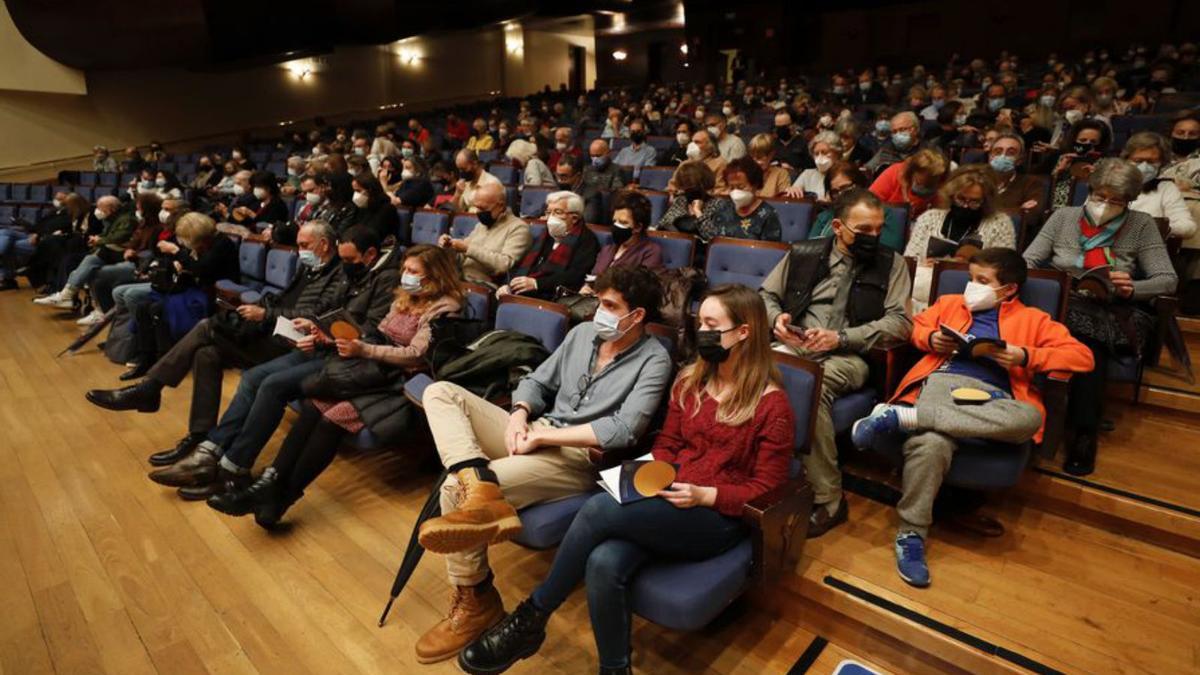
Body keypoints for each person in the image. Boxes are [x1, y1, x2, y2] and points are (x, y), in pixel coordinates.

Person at [457, 284, 792, 675]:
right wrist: (647, 476)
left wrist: (707, 495)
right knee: (603, 561)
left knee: (598, 508)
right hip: (670, 494)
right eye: (699, 321)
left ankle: (531, 617)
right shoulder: (691, 380)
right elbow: (668, 443)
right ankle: (614, 669)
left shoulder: (772, 404)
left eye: (711, 324)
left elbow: (766, 488)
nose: (701, 331)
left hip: (717, 516)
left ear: (744, 332)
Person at [409, 265, 672, 665]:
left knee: (451, 489)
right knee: (443, 392)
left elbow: (623, 431)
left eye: (609, 305)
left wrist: (543, 437)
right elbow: (537, 382)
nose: (597, 311)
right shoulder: (583, 333)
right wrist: (518, 413)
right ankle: (478, 480)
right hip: (535, 428)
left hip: (576, 457)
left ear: (636, 316)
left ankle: (476, 596)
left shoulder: (654, 360)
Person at [851, 248, 1093, 587]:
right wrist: (930, 338)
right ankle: (911, 534)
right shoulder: (951, 304)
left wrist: (1025, 355)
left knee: (1028, 419)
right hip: (944, 381)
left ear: (1008, 289)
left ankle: (908, 416)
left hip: (996, 399)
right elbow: (914, 328)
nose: (971, 287)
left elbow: (1082, 358)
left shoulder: (1033, 319)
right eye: (970, 278)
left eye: (982, 281)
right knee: (931, 443)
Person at [207, 244, 461, 519]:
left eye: (414, 271)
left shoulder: (446, 308)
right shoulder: (405, 297)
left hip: (399, 384)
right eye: (405, 269)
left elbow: (415, 355)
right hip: (371, 372)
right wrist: (332, 340)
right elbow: (378, 333)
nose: (406, 276)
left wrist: (364, 350)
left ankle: (281, 496)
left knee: (333, 419)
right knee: (312, 406)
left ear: (435, 275)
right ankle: (268, 487)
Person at [145, 226, 398, 499]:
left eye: (350, 260)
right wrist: (317, 329)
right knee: (252, 376)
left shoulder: (385, 279)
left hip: (346, 358)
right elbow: (331, 310)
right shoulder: (353, 273)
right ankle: (209, 452)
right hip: (322, 345)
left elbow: (369, 331)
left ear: (371, 254)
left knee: (272, 385)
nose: (346, 266)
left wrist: (322, 334)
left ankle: (234, 469)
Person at [84, 222, 346, 442]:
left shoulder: (339, 275)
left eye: (304, 246)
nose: (300, 252)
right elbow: (283, 299)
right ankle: (199, 436)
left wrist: (265, 314)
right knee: (206, 354)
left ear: (324, 244)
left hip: (293, 344)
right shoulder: (308, 267)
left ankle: (150, 388)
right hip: (271, 330)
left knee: (206, 326)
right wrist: (260, 307)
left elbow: (315, 314)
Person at [760, 188, 912, 537]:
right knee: (745, 366)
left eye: (879, 229)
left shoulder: (892, 263)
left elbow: (900, 323)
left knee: (807, 385)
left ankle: (829, 499)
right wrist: (776, 320)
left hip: (850, 355)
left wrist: (842, 337)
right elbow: (767, 294)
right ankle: (759, 469)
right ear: (839, 226)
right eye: (864, 230)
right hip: (798, 343)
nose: (874, 237)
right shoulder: (804, 253)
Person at [1024, 159, 1178, 476]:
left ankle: (1083, 431)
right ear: (1090, 191)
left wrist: (1132, 286)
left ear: (1129, 201)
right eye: (1099, 196)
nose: (1104, 204)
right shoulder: (1062, 217)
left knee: (1085, 343)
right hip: (1061, 296)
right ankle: (1027, 411)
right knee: (1041, 326)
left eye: (1116, 200)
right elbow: (1028, 260)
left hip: (1111, 305)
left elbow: (1166, 279)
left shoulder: (1141, 224)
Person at [905, 166, 1017, 310]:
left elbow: (1004, 270)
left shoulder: (1000, 223)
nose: (965, 206)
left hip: (974, 293)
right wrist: (924, 264)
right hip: (924, 292)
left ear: (985, 202)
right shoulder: (929, 218)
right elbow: (909, 262)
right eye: (961, 199)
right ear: (951, 196)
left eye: (974, 201)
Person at [33, 195, 134, 308]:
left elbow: (119, 237)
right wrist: (98, 239)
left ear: (112, 208)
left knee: (79, 261)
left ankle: (68, 297)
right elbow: (105, 235)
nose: (99, 211)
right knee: (69, 262)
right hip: (102, 250)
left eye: (101, 208)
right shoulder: (111, 219)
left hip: (116, 253)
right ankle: (64, 295)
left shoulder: (125, 219)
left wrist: (99, 240)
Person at [498, 191, 599, 299]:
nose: (551, 217)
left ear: (574, 218)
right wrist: (507, 285)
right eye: (549, 212)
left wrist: (536, 284)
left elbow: (575, 276)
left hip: (553, 296)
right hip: (525, 289)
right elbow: (522, 262)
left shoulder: (587, 240)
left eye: (557, 212)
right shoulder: (546, 234)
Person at [439, 181, 533, 286]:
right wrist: (450, 247)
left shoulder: (518, 228)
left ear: (500, 206)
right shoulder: (482, 225)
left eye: (482, 208)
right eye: (476, 207)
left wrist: (467, 248)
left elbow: (505, 265)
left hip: (484, 285)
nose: (478, 212)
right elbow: (461, 259)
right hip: (461, 277)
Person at [579, 191, 663, 295]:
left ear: (638, 227)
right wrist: (586, 288)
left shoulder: (650, 251)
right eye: (615, 221)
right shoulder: (608, 249)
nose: (616, 226)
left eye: (623, 222)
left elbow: (643, 290)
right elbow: (593, 276)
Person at [1120, 132, 1197, 238]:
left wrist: (1157, 226)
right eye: (1138, 160)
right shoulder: (1107, 183)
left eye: (1151, 161)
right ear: (1126, 160)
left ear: (1161, 163)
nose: (1144, 166)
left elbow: (1188, 227)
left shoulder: (1166, 188)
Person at [658, 161, 737, 243]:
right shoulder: (681, 200)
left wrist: (698, 213)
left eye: (692, 186)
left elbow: (715, 238)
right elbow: (662, 225)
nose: (688, 191)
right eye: (685, 186)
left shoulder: (719, 204)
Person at [869, 148, 949, 218]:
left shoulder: (940, 186)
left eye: (929, 185)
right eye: (919, 183)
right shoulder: (894, 173)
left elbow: (939, 216)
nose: (923, 187)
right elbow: (870, 203)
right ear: (912, 172)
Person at [1048, 120, 1111, 208]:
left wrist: (1096, 176)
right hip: (1058, 204)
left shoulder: (1106, 162)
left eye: (1093, 142)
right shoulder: (1062, 156)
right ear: (1074, 139)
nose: (1087, 144)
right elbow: (1047, 183)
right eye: (1083, 140)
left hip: (1089, 206)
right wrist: (1059, 170)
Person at [720, 158, 783, 242]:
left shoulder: (768, 214)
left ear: (755, 185)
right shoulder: (724, 208)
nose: (736, 192)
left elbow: (771, 250)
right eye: (731, 188)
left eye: (741, 187)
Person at [988, 132, 1047, 220]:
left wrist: (987, 212)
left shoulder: (1032, 183)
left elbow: (1031, 216)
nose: (1003, 156)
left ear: (1020, 160)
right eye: (998, 151)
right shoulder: (977, 180)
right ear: (990, 157)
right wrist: (1019, 209)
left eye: (1010, 153)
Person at [667, 130, 729, 194]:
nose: (692, 145)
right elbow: (672, 185)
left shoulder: (720, 164)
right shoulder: (685, 163)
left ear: (710, 145)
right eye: (692, 142)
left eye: (697, 142)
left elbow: (720, 189)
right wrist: (673, 192)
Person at [786, 131, 842, 200]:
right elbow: (793, 194)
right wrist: (792, 190)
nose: (820, 157)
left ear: (837, 153)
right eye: (816, 154)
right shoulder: (807, 174)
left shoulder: (845, 174)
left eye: (825, 152)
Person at [349, 173, 402, 240]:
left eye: (358, 191)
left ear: (370, 190)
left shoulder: (387, 208)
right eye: (354, 191)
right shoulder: (362, 207)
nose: (356, 194)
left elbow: (375, 233)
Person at [747, 133, 793, 198]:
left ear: (771, 155)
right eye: (752, 157)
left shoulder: (781, 174)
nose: (754, 162)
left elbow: (784, 201)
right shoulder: (744, 172)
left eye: (759, 157)